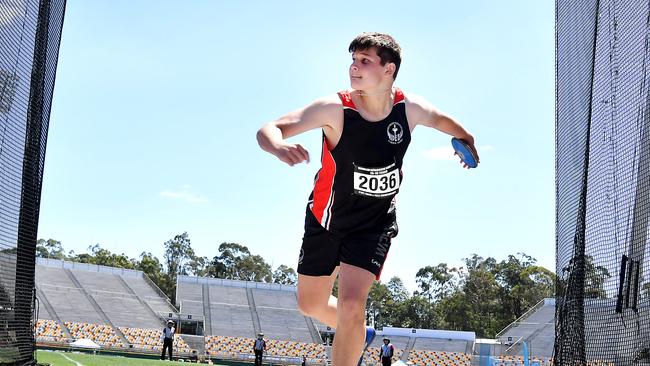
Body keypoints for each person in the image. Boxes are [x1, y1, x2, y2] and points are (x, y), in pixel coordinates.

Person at [257, 32, 479, 366]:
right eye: (353, 60)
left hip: (374, 226)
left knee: (350, 305)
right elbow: (270, 128)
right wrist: (278, 146)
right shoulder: (336, 108)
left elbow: (444, 121)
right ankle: (360, 332)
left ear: (389, 70)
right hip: (326, 219)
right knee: (310, 304)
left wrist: (467, 139)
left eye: (365, 61)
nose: (354, 67)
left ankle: (354, 327)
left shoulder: (409, 108)